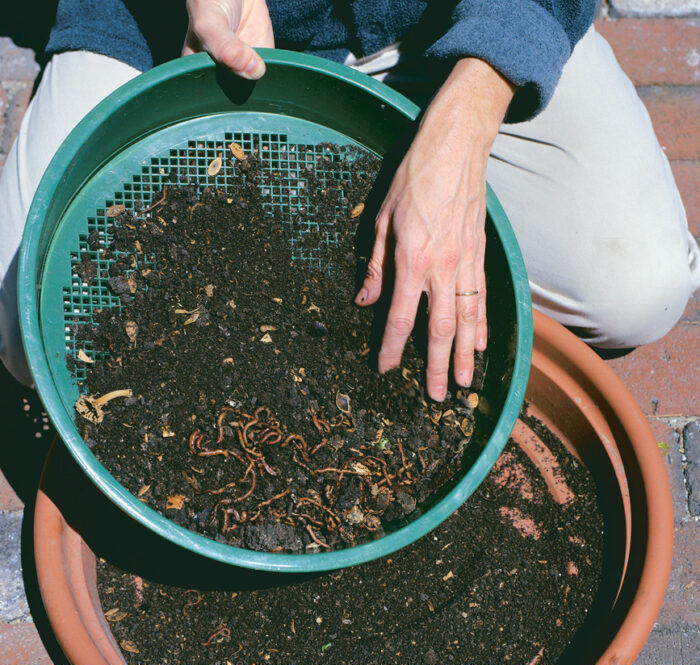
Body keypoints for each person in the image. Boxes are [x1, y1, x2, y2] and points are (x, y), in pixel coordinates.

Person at [1, 0, 697, 399]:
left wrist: (475, 104)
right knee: (30, 323)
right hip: (170, 23)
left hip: (440, 24)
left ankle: (410, 141)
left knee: (639, 284)